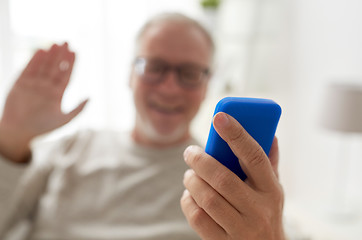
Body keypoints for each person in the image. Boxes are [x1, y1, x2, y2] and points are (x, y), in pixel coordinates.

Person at [0, 13, 285, 240]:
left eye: (189, 73)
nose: (170, 87)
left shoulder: (226, 180)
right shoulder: (70, 148)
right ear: (130, 74)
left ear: (206, 84)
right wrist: (10, 139)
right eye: (154, 67)